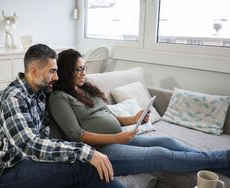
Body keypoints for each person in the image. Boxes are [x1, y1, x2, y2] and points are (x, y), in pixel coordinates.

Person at [48, 48, 230, 177]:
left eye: (84, 68)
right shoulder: (59, 97)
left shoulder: (85, 89)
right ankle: (223, 158)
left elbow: (105, 116)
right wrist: (116, 138)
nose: (83, 73)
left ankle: (222, 165)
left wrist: (133, 119)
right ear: (66, 70)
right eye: (78, 69)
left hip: (118, 137)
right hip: (100, 151)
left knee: (165, 140)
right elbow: (77, 135)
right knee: (160, 154)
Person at [0, 44, 125, 188]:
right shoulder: (13, 98)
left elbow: (45, 139)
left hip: (30, 163)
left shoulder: (40, 94)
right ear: (33, 71)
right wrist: (85, 151)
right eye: (52, 71)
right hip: (3, 173)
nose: (56, 77)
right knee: (85, 168)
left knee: (81, 168)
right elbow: (31, 145)